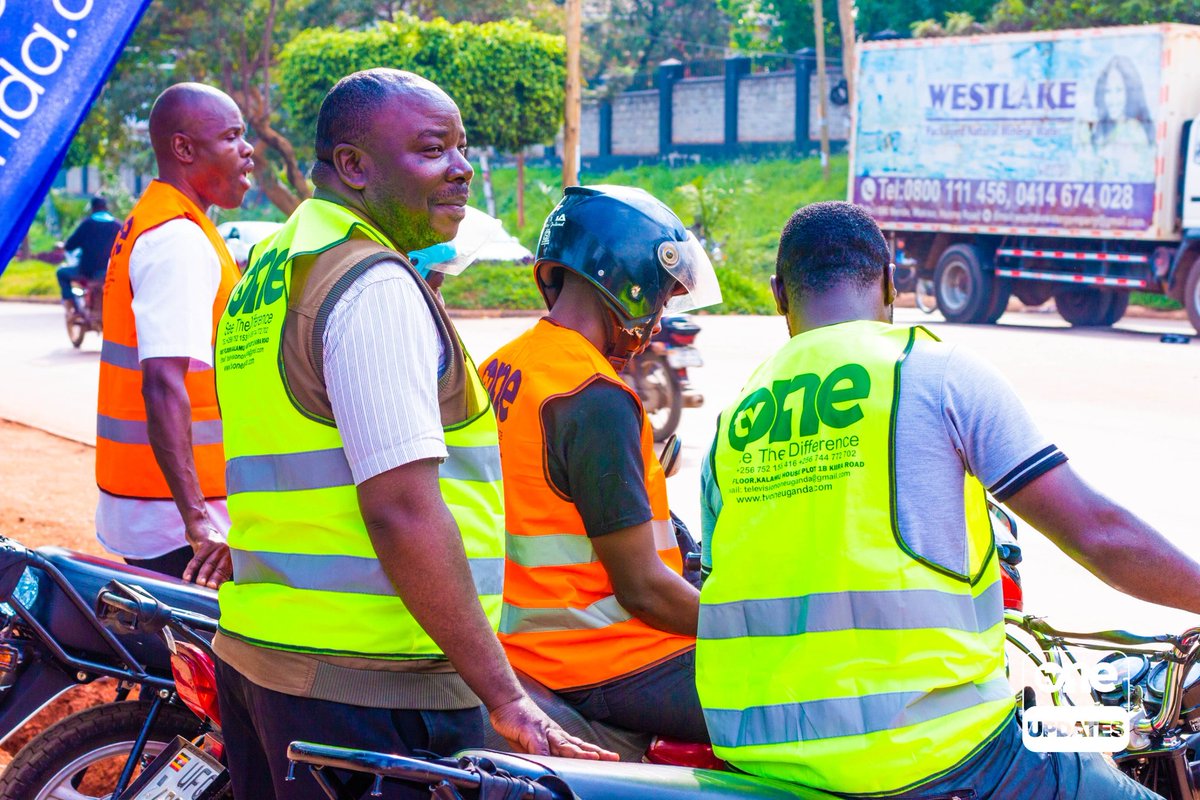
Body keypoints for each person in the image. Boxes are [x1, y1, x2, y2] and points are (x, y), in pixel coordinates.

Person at [694, 200, 1196, 798]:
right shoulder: (933, 372)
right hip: (935, 756)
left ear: (778, 295)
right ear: (890, 280)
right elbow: (1099, 535)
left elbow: (724, 584)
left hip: (760, 758)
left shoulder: (733, 423)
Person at [211, 69, 613, 800]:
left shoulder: (276, 267)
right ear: (356, 166)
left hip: (272, 659)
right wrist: (504, 694)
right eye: (433, 151)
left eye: (462, 148)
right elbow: (401, 508)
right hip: (369, 692)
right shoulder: (370, 285)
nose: (461, 169)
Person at [479, 185, 722, 744]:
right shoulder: (592, 394)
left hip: (522, 644)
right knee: (807, 698)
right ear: (627, 281)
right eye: (659, 298)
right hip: (604, 658)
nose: (659, 319)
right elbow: (644, 590)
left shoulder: (501, 367)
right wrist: (747, 628)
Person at [96, 83, 252, 585]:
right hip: (178, 521)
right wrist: (199, 523)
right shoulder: (178, 239)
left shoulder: (166, 221)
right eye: (231, 137)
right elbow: (164, 382)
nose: (247, 150)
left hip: (157, 504)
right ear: (184, 149)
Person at [57, 196, 121, 311]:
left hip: (87, 271)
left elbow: (71, 245)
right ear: (106, 208)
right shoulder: (117, 225)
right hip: (112, 271)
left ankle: (74, 308)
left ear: (93, 208)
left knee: (61, 273)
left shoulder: (87, 224)